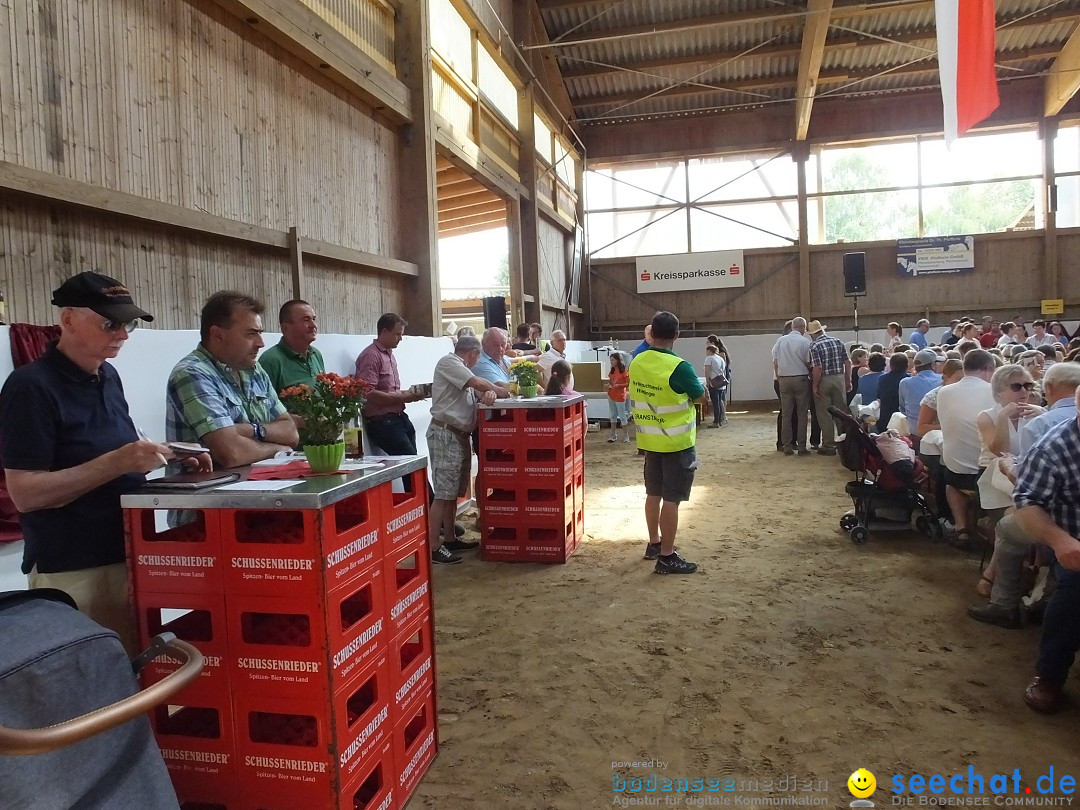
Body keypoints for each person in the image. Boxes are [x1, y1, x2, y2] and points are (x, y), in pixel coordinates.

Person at [0, 272, 209, 653]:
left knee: (134, 675)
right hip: (75, 566)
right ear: (68, 320)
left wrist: (169, 457)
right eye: (110, 323)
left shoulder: (108, 376)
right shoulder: (30, 387)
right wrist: (118, 462)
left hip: (127, 551)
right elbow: (25, 493)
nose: (123, 334)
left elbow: (115, 454)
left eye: (127, 323)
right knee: (94, 686)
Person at [166, 292, 298, 469]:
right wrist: (278, 449)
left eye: (260, 333)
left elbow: (291, 432)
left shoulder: (254, 370)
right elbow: (232, 454)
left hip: (258, 487)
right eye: (251, 334)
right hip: (210, 493)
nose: (261, 343)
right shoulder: (192, 373)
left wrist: (252, 430)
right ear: (217, 334)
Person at [1010, 387, 1080, 713]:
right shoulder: (1054, 448)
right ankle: (1049, 674)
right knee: (1074, 594)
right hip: (1073, 539)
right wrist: (1059, 540)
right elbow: (1026, 503)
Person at [628, 312, 702, 574]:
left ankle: (654, 545)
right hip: (676, 443)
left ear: (652, 333)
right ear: (677, 335)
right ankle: (667, 557)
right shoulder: (679, 367)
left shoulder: (636, 362)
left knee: (653, 494)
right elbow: (700, 396)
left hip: (650, 442)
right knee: (672, 500)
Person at [426, 336, 501, 565]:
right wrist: (498, 389)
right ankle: (431, 545)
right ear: (474, 353)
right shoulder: (450, 363)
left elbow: (478, 391)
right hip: (446, 434)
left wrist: (490, 393)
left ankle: (449, 538)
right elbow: (478, 384)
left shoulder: (460, 371)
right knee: (442, 495)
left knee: (451, 494)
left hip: (457, 436)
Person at [934, 349, 997, 548]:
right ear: (988, 369)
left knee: (950, 482)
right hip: (989, 474)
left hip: (957, 472)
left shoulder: (943, 392)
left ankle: (962, 529)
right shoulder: (995, 391)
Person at [354, 313, 428, 455]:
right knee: (411, 463)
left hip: (398, 418)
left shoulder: (389, 355)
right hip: (383, 423)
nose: (400, 339)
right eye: (397, 334)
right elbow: (368, 393)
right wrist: (405, 397)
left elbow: (389, 391)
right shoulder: (371, 356)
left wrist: (408, 394)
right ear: (384, 332)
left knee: (415, 465)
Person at [258, 299, 325, 392]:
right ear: (285, 328)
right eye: (306, 320)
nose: (313, 325)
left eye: (313, 319)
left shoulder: (316, 354)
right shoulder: (270, 361)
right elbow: (263, 403)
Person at [807, 320, 851, 456]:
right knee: (841, 412)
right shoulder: (838, 341)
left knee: (824, 414)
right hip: (839, 378)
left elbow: (817, 367)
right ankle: (845, 442)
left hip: (824, 380)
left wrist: (815, 385)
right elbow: (847, 362)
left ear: (812, 334)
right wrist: (848, 380)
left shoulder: (814, 346)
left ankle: (829, 445)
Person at [772, 316, 812, 456]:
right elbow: (808, 363)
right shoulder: (805, 342)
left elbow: (775, 362)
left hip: (784, 379)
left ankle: (787, 446)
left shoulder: (780, 341)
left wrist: (779, 378)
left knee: (786, 414)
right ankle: (801, 446)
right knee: (802, 414)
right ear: (802, 327)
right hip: (800, 379)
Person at [898, 349, 942, 451]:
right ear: (933, 365)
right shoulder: (942, 380)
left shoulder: (905, 383)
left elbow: (902, 408)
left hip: (914, 434)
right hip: (937, 434)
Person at [874, 352, 909, 433]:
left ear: (890, 365)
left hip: (885, 420)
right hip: (902, 420)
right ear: (907, 366)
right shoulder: (908, 380)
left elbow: (878, 397)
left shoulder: (882, 378)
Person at [606, 352, 631, 442]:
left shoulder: (623, 371)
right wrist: (609, 385)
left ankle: (626, 436)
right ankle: (613, 434)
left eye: (613, 360)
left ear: (618, 360)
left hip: (620, 395)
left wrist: (619, 386)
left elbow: (628, 383)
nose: (611, 362)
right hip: (611, 394)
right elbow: (611, 381)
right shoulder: (612, 371)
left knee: (622, 416)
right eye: (611, 360)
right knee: (613, 415)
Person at [704, 344, 728, 428]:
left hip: (713, 382)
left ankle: (716, 421)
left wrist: (707, 382)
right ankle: (721, 419)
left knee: (715, 403)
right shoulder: (720, 358)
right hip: (721, 381)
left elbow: (707, 371)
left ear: (709, 350)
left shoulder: (709, 358)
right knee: (720, 401)